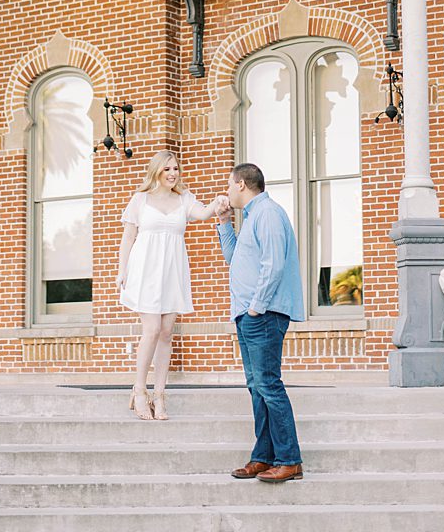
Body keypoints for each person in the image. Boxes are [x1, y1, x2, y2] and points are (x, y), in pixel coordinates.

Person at [213, 162, 306, 483]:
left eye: (228, 185)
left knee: (268, 385)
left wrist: (256, 307)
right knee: (257, 388)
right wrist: (225, 222)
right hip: (248, 315)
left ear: (241, 184)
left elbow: (274, 264)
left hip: (263, 315)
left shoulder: (267, 214)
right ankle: (263, 456)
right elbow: (232, 257)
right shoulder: (251, 218)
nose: (226, 192)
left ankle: (289, 460)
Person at [117, 149, 223, 421]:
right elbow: (128, 237)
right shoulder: (140, 199)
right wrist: (122, 270)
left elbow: (202, 214)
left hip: (172, 271)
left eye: (175, 168)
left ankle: (160, 394)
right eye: (167, 169)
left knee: (166, 332)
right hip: (145, 270)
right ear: (156, 171)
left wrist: (218, 203)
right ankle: (140, 391)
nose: (173, 173)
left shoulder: (184, 199)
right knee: (151, 330)